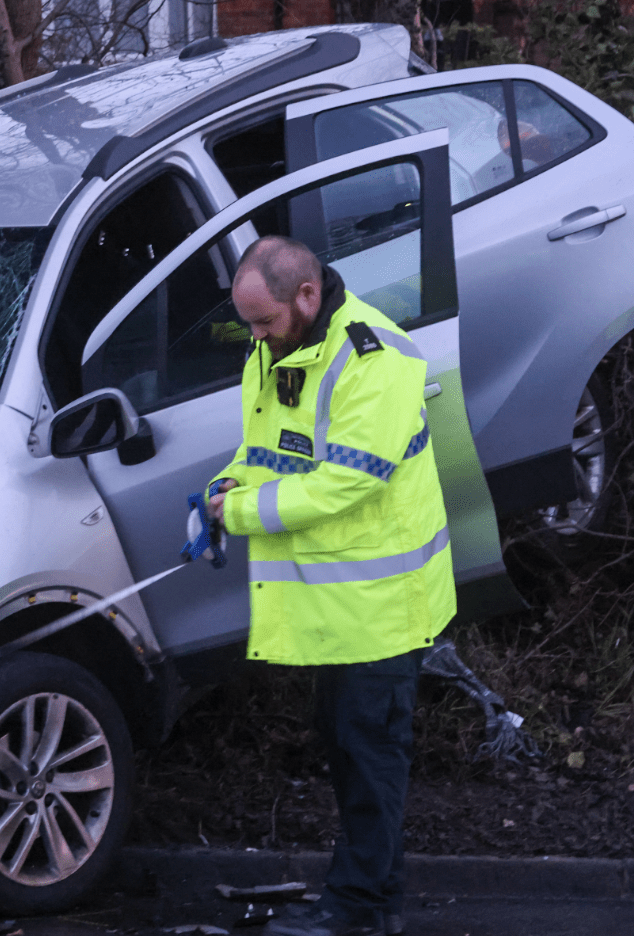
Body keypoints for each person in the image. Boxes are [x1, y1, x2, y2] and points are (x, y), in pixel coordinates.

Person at [206, 236, 456, 936]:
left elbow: (350, 480)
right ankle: (368, 905)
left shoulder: (376, 358)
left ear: (306, 296)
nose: (254, 337)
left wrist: (245, 513)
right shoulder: (280, 348)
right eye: (248, 323)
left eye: (263, 321)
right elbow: (265, 449)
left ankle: (359, 913)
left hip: (381, 609)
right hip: (340, 606)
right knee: (353, 753)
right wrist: (221, 490)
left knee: (369, 761)